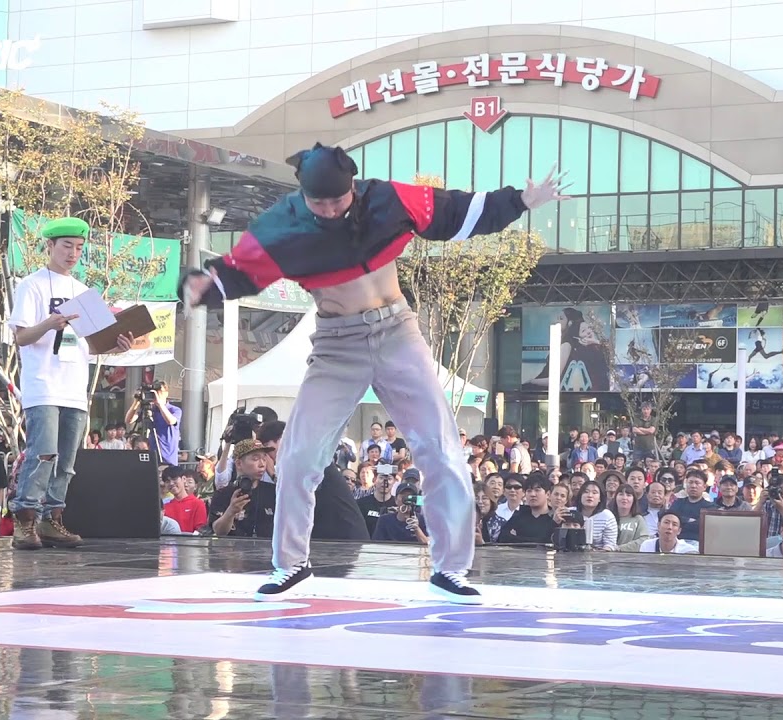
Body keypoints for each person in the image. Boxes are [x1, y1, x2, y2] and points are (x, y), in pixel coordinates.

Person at [180, 143, 568, 604]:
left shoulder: (387, 199)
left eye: (337, 200)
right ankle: (291, 564)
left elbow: (453, 211)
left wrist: (519, 200)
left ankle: (450, 569)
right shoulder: (283, 224)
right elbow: (239, 269)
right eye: (318, 203)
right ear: (303, 196)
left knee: (442, 450)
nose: (329, 210)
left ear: (354, 187)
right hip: (336, 344)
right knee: (298, 457)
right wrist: (203, 285)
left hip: (396, 332)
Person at [6, 216, 134, 551]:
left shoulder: (84, 292)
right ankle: (25, 519)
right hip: (43, 384)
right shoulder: (31, 285)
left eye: (78, 247)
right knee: (43, 454)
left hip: (75, 387)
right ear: (50, 246)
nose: (73, 253)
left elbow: (92, 345)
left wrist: (117, 346)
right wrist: (49, 323)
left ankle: (52, 518)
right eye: (66, 246)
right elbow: (21, 337)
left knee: (66, 461)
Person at [125, 381, 182, 465]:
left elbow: (171, 421)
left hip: (167, 456)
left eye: (159, 392)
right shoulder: (150, 409)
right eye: (154, 392)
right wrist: (136, 402)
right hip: (151, 455)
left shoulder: (174, 410)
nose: (156, 394)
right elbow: (128, 420)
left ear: (166, 393)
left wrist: (160, 404)